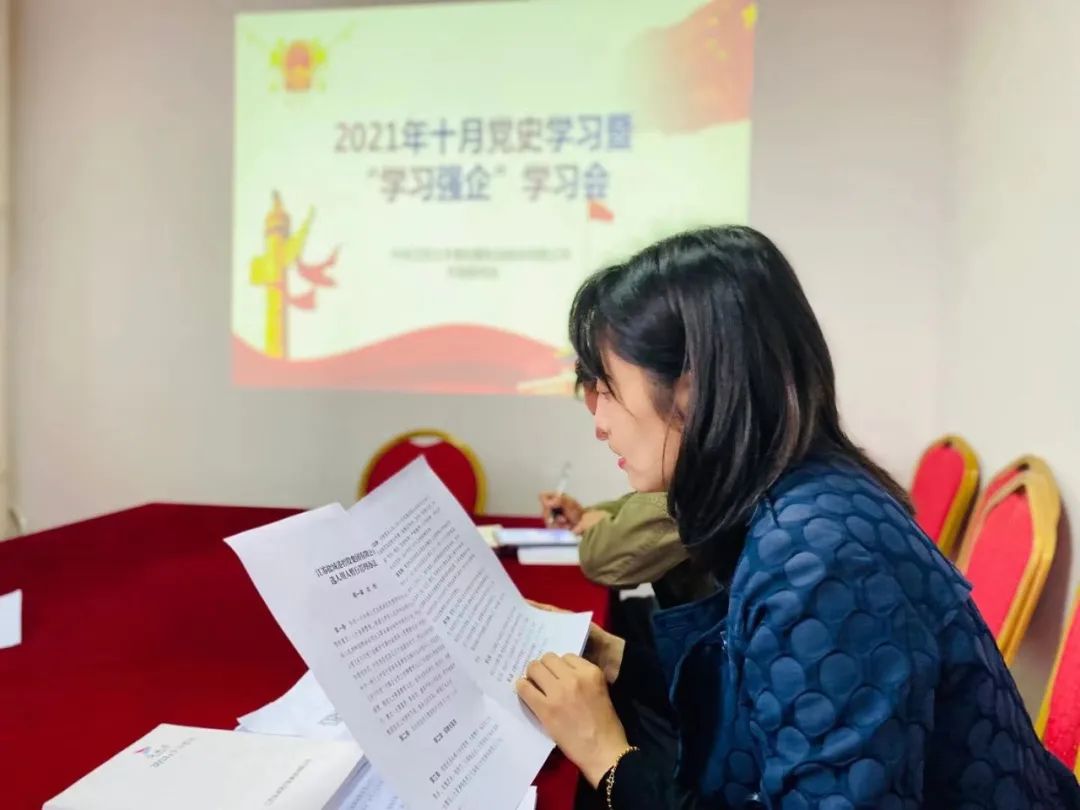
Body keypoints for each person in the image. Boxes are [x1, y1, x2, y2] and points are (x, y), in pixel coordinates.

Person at [515, 226, 1080, 809]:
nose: (599, 423)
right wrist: (617, 661)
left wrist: (605, 755)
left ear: (691, 388)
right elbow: (766, 695)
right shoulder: (800, 497)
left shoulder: (817, 559)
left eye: (609, 389)